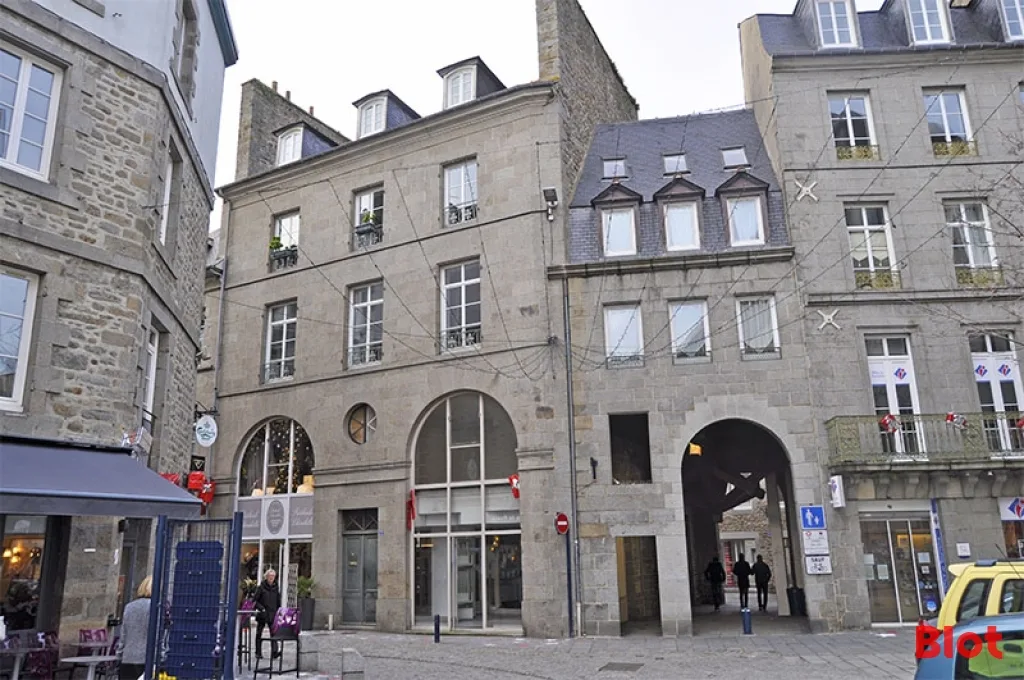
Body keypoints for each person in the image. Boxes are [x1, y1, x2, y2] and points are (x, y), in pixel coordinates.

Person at [117, 575, 152, 680]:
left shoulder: (129, 607)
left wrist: (119, 655)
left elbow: (123, 634)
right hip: (148, 659)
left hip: (128, 657)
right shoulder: (156, 607)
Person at [253, 568, 282, 659]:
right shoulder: (261, 587)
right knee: (259, 633)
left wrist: (279, 611)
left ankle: (274, 652)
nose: (271, 578)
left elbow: (278, 600)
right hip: (263, 613)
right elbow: (254, 601)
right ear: (266, 577)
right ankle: (258, 652)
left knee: (274, 633)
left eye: (273, 576)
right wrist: (261, 608)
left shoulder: (276, 587)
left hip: (272, 613)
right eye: (270, 576)